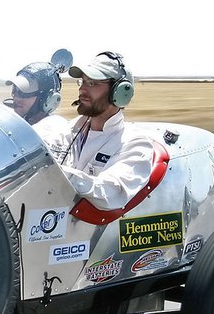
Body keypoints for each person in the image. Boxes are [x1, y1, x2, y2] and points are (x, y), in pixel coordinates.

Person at [42, 51, 157, 212]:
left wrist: (53, 172)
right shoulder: (66, 132)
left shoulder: (134, 144)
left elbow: (111, 193)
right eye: (82, 82)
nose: (82, 89)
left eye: (92, 83)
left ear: (119, 92)